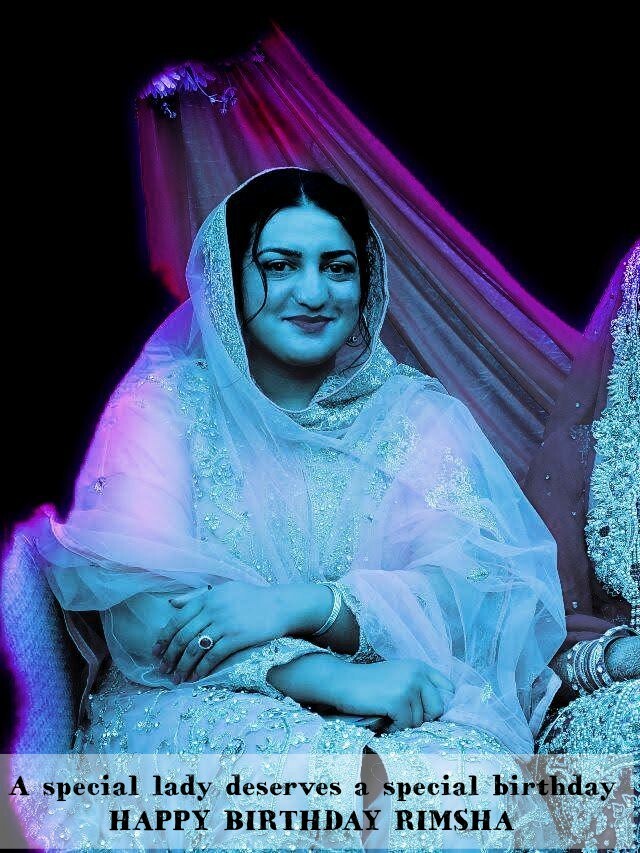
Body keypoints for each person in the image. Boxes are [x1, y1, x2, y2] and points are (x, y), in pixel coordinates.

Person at [22, 166, 566, 850]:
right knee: (318, 792)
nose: (312, 292)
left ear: (367, 284)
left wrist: (304, 604)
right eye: (279, 265)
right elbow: (147, 616)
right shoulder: (164, 406)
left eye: (338, 267)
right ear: (230, 280)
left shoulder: (417, 416)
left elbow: (477, 591)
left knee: (470, 798)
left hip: (393, 693)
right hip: (199, 705)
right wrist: (323, 675)